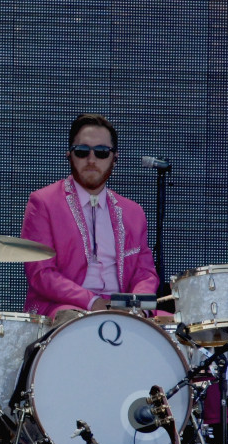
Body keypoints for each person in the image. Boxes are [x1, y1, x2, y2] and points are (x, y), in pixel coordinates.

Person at [21, 113, 159, 319]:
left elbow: (145, 273)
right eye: (82, 151)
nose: (92, 160)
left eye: (102, 152)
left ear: (115, 157)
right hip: (64, 308)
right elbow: (42, 274)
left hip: (124, 311)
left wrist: (136, 304)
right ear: (69, 154)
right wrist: (93, 302)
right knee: (71, 320)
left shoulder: (133, 212)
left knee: (179, 331)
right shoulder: (43, 203)